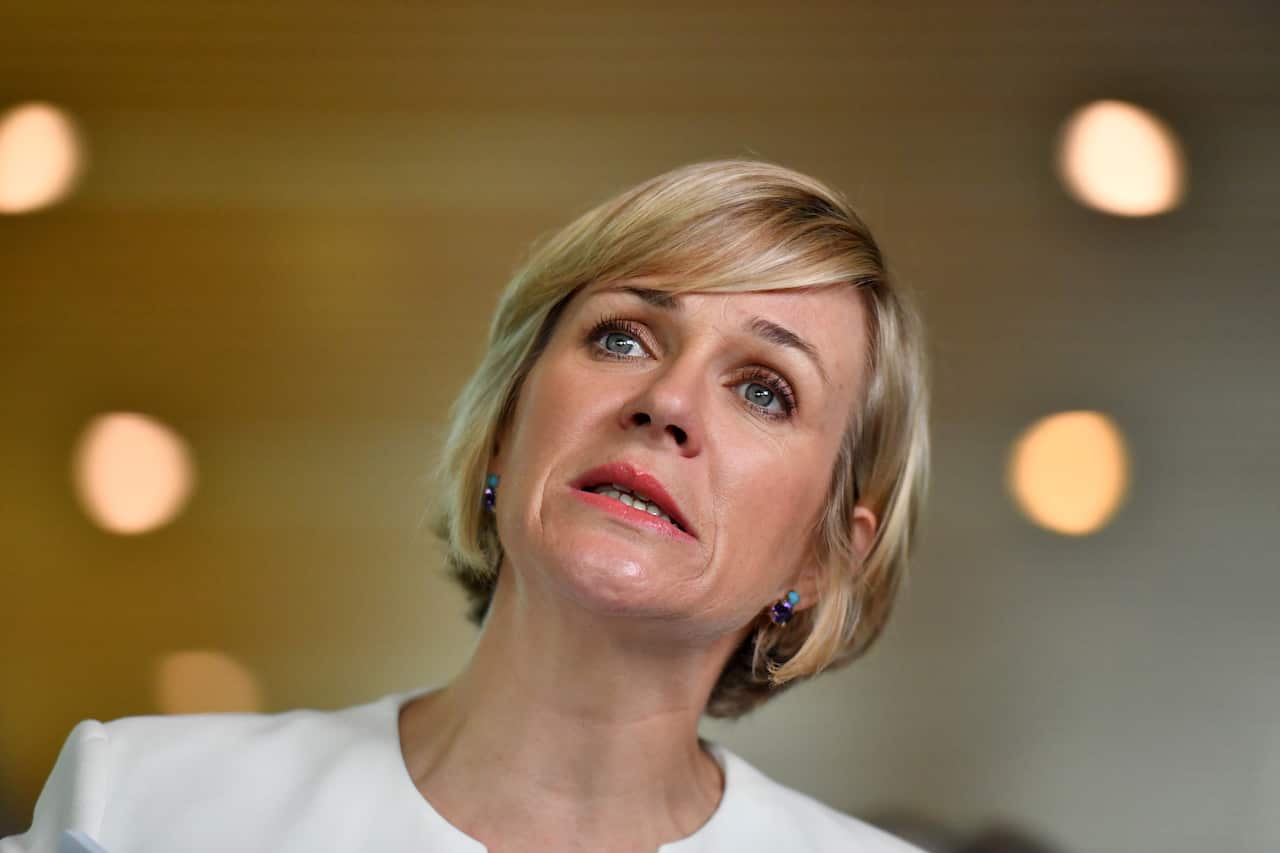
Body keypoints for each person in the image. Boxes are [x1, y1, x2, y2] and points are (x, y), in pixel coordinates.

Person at [2, 159, 931, 852]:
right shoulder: (135, 807)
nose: (669, 402)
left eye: (764, 389)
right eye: (622, 336)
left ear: (825, 558)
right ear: (501, 430)